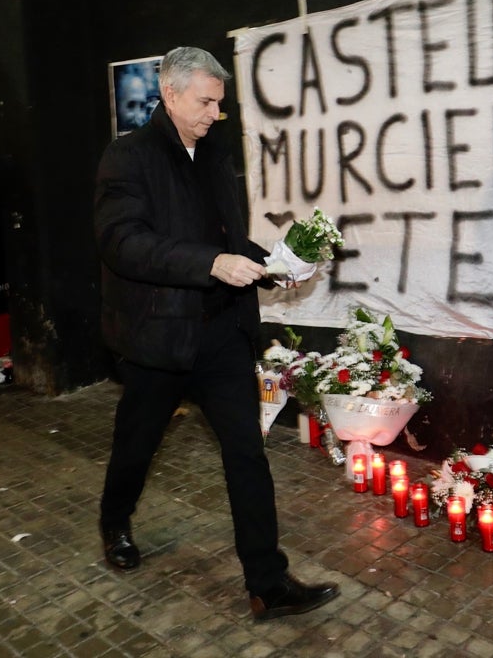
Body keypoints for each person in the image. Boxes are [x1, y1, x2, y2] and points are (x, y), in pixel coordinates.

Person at [93, 46, 339, 620]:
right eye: (205, 101)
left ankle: (267, 583)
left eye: (220, 104)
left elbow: (227, 239)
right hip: (159, 339)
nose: (213, 113)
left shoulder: (213, 154)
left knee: (247, 453)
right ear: (171, 93)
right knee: (137, 443)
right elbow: (122, 243)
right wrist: (209, 263)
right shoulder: (127, 157)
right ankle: (115, 521)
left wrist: (277, 263)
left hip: (222, 335)